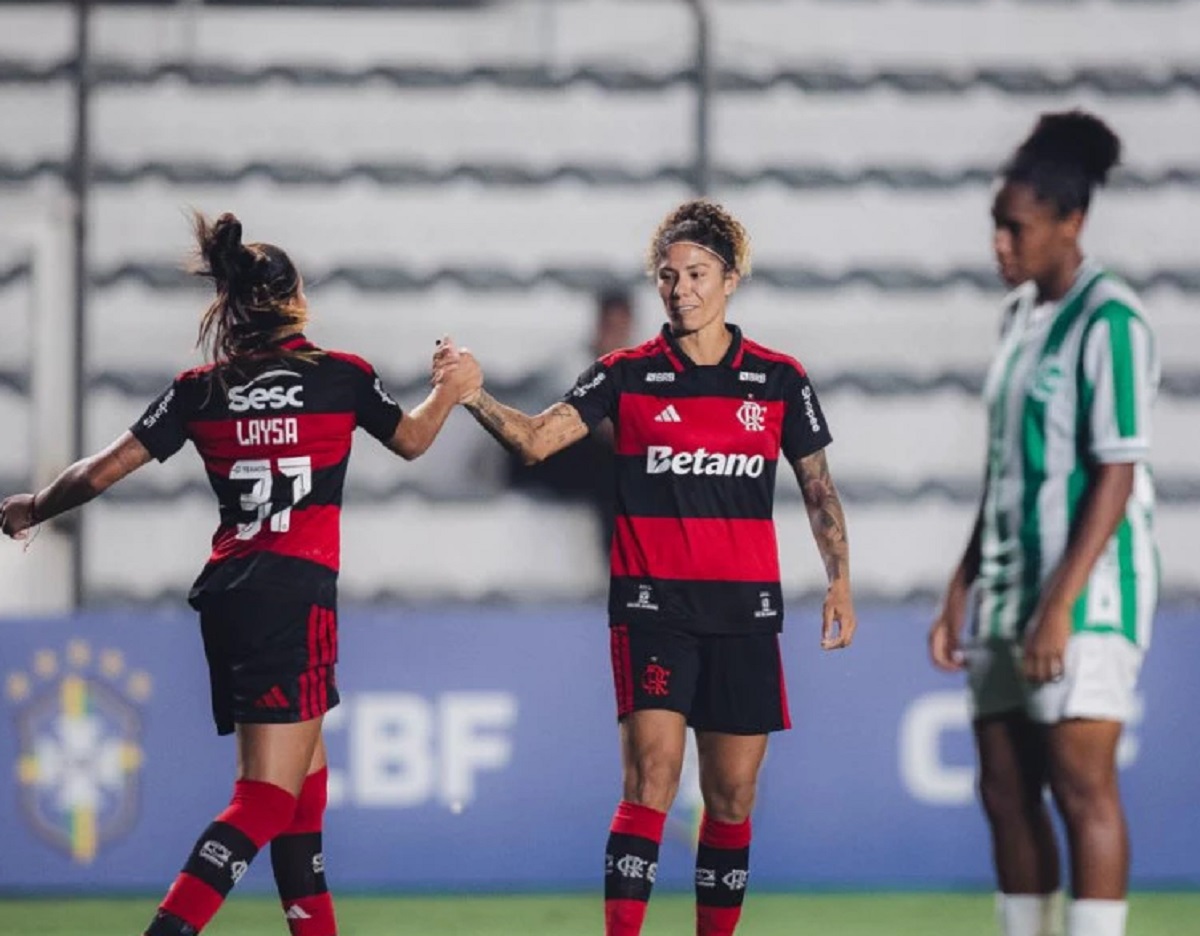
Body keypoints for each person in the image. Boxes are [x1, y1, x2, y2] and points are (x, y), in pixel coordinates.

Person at [0, 212, 478, 936]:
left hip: (230, 594)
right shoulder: (340, 377)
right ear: (297, 299)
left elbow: (99, 472)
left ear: (230, 303)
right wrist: (453, 388)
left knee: (302, 787)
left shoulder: (200, 389)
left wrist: (35, 505)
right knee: (263, 798)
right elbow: (412, 440)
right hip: (296, 594)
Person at [439, 199, 857, 936]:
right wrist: (473, 396)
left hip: (745, 613)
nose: (680, 288)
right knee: (651, 779)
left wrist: (840, 581)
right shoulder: (624, 375)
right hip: (653, 608)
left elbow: (818, 489)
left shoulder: (779, 380)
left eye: (696, 273)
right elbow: (537, 442)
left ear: (731, 278)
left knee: (731, 798)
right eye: (667, 276)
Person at [928, 111, 1159, 936]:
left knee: (1080, 784)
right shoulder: (1016, 322)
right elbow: (1004, 471)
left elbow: (1116, 468)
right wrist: (960, 584)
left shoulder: (1112, 321)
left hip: (1088, 594)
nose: (1000, 243)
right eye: (995, 225)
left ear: (1071, 222)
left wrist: (1061, 603)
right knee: (1002, 786)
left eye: (1015, 227)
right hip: (1005, 587)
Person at [507, 287, 636, 556]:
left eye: (622, 328)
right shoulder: (570, 366)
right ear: (598, 325)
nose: (616, 336)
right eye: (611, 327)